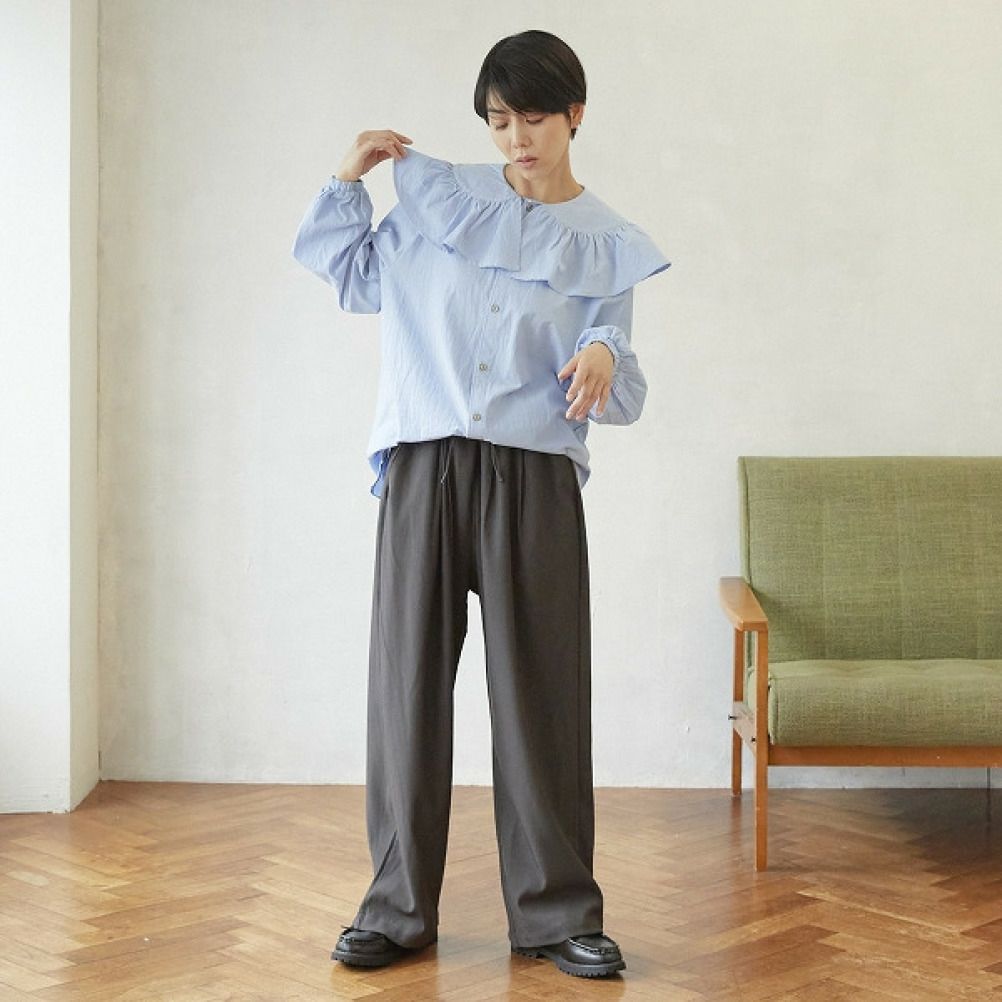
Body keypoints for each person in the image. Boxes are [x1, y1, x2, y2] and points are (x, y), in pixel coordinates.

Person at [291, 28, 670, 979]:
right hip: (423, 465)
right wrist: (347, 182)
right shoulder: (440, 202)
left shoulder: (607, 242)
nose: (515, 139)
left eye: (533, 117)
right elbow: (355, 279)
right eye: (499, 121)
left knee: (542, 697)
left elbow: (617, 381)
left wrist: (603, 353)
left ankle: (557, 915)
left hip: (534, 478)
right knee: (406, 691)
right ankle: (395, 909)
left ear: (575, 113)